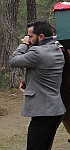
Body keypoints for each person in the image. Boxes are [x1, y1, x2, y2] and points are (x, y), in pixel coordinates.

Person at [9, 19, 66, 150]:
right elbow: (45, 73)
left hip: (43, 111)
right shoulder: (56, 49)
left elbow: (13, 61)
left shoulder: (37, 53)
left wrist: (23, 44)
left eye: (30, 36)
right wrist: (29, 82)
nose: (28, 38)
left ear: (41, 36)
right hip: (53, 108)